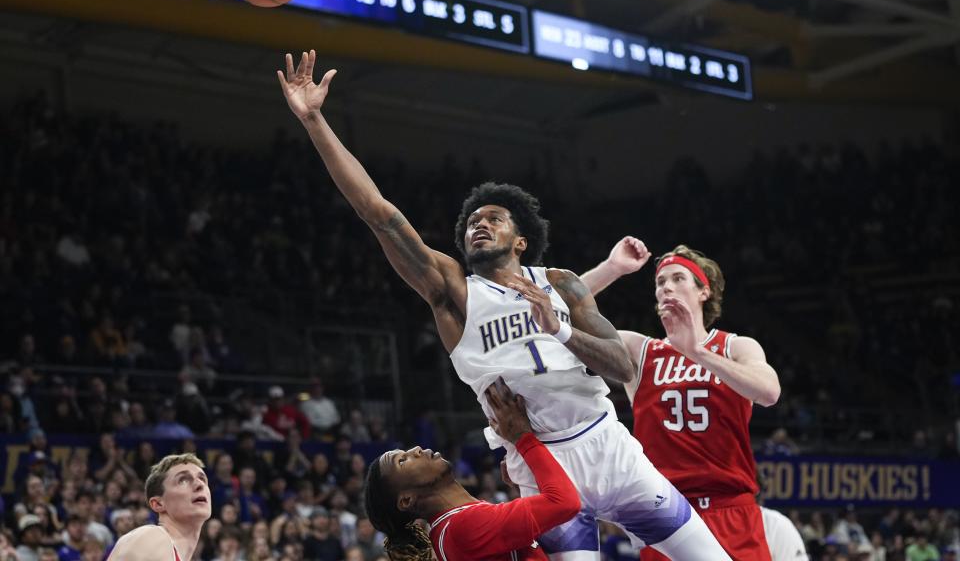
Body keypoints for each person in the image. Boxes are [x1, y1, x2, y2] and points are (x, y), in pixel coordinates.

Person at [278, 50, 729, 560]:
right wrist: (314, 120)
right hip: (545, 467)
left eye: (494, 218)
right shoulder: (454, 291)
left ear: (520, 241)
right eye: (473, 221)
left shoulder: (561, 284)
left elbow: (622, 365)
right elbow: (379, 216)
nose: (480, 223)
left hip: (611, 447)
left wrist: (559, 330)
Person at [580, 238, 781, 560]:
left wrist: (698, 353)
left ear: (704, 291)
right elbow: (562, 309)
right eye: (660, 282)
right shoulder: (640, 350)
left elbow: (769, 393)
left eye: (678, 278)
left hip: (731, 507)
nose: (666, 288)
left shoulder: (736, 347)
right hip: (668, 514)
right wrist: (612, 268)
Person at [364, 378, 580, 561]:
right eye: (402, 461)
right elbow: (565, 503)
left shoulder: (453, 527)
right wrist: (523, 438)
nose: (417, 450)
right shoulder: (462, 528)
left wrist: (523, 485)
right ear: (406, 500)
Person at [107, 453, 212, 561]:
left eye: (202, 479)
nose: (200, 484)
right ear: (158, 504)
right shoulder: (152, 538)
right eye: (183, 480)